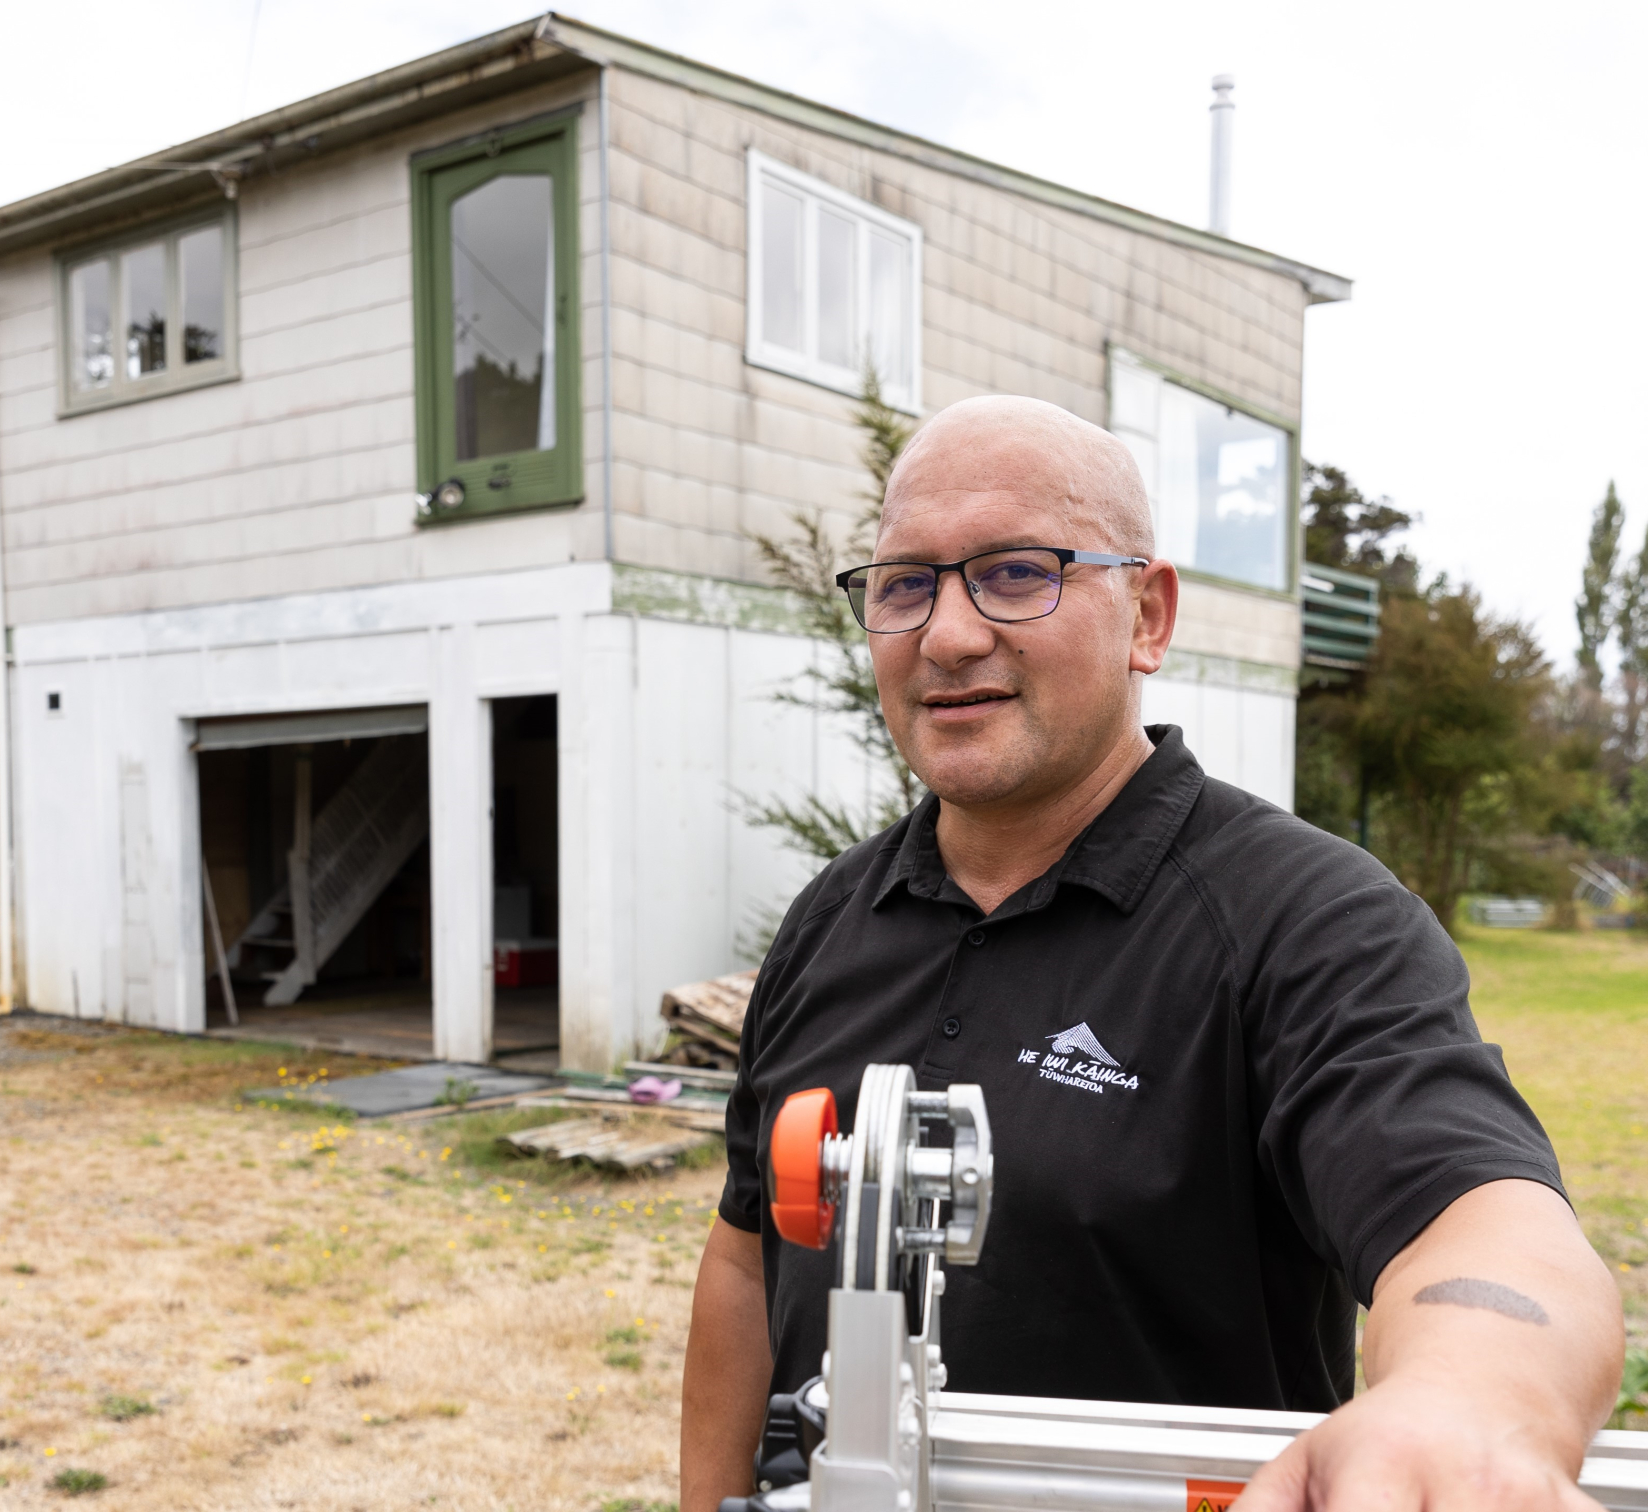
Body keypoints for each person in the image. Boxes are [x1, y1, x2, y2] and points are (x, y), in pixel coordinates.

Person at [680, 396, 1623, 1512]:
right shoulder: (831, 917)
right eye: (905, 584)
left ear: (1148, 616)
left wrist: (1469, 1401)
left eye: (1016, 571)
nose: (946, 635)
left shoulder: (1309, 920)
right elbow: (749, 1256)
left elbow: (1480, 1220)